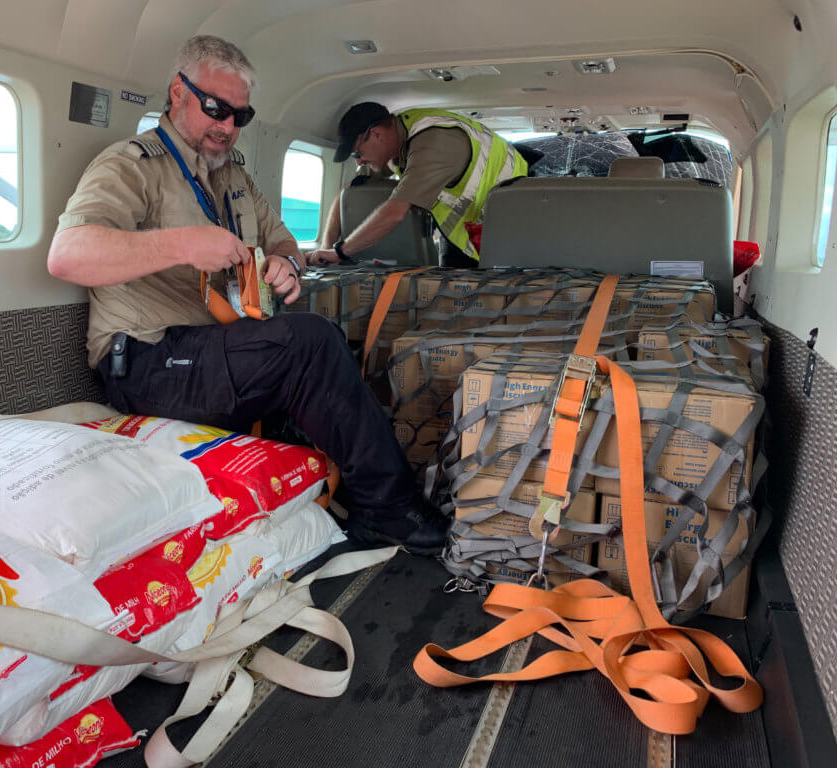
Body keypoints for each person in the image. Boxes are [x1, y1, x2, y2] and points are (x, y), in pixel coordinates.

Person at [48, 35, 447, 554]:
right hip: (149, 358)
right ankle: (390, 510)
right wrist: (180, 243)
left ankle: (348, 495)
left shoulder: (235, 174)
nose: (228, 127)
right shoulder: (131, 165)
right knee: (310, 344)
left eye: (242, 116)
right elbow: (67, 255)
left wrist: (285, 262)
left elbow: (282, 239)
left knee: (327, 345)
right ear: (177, 92)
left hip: (217, 348)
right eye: (216, 109)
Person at [308, 103, 528, 268]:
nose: (358, 162)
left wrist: (340, 252)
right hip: (467, 233)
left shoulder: (434, 144)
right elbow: (348, 191)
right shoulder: (399, 138)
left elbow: (394, 213)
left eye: (357, 153)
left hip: (509, 223)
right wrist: (326, 248)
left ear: (376, 134)